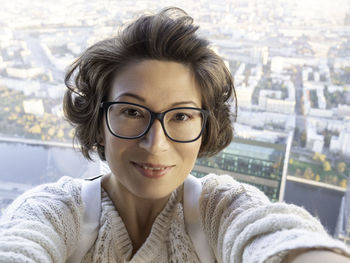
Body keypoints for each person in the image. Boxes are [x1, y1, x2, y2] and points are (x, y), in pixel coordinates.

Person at [0, 7, 350, 263]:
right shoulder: (56, 212)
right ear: (100, 121)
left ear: (205, 128)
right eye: (132, 112)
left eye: (181, 115)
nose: (155, 144)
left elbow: (274, 235)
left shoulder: (223, 209)